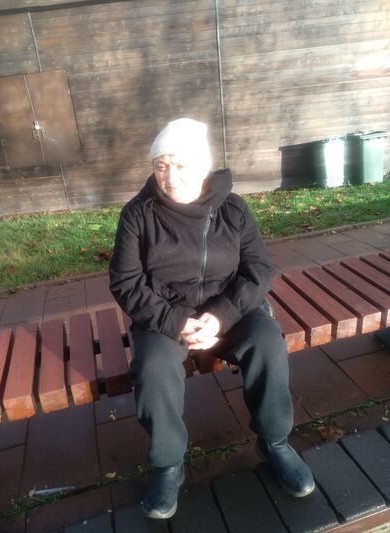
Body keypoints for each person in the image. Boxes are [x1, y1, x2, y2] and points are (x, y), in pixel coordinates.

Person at [109, 118, 315, 519]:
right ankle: (169, 464)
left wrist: (221, 316)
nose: (169, 177)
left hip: (229, 310)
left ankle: (274, 442)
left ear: (203, 166)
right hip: (166, 315)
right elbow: (126, 282)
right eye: (161, 166)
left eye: (180, 165)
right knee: (153, 368)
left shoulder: (232, 208)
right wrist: (176, 322)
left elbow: (259, 268)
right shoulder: (138, 214)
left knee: (268, 342)